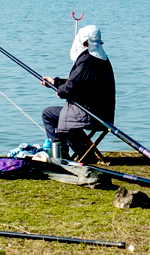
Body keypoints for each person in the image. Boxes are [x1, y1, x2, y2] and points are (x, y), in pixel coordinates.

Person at [40, 24, 115, 156]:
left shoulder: (87, 59)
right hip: (103, 113)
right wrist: (56, 82)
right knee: (63, 115)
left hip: (90, 114)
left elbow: (72, 88)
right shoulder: (101, 58)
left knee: (49, 114)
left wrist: (60, 91)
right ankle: (84, 153)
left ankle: (61, 154)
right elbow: (81, 83)